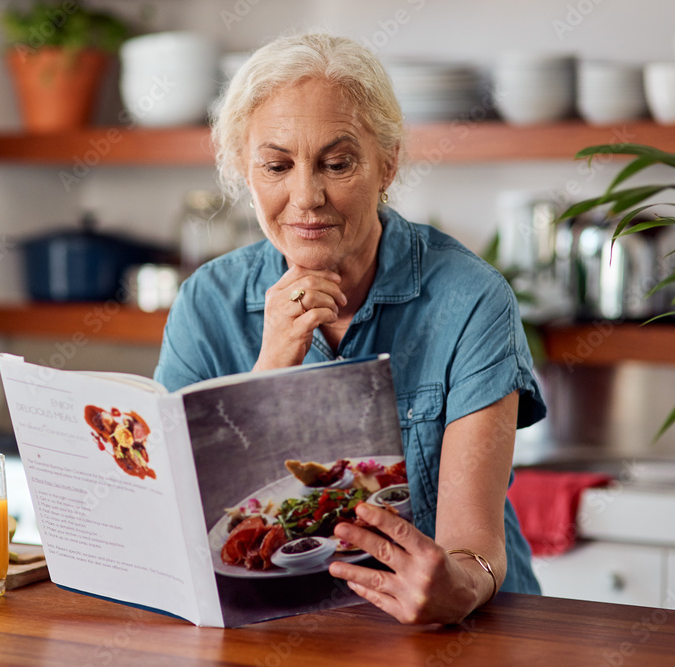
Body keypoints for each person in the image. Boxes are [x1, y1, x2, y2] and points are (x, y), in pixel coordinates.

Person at [154, 33, 546, 625]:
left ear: (387, 163)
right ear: (244, 169)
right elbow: (172, 523)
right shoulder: (205, 304)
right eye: (277, 165)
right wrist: (270, 372)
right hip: (278, 630)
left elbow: (474, 546)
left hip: (466, 632)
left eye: (337, 164)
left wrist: (458, 586)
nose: (306, 197)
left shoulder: (471, 300)